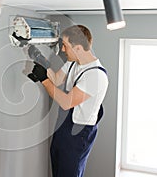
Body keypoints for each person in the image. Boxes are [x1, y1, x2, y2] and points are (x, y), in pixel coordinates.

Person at [29, 25, 109, 177]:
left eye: (65, 46)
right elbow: (57, 79)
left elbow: (66, 102)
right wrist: (40, 60)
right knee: (57, 167)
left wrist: (43, 80)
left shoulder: (95, 76)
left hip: (79, 134)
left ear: (78, 48)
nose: (63, 50)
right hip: (64, 126)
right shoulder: (73, 62)